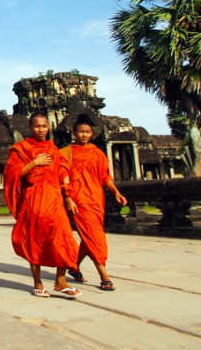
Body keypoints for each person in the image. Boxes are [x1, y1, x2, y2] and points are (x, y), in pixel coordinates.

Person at [3, 112, 81, 299]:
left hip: (54, 199)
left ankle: (60, 281)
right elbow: (12, 174)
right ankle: (38, 282)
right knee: (34, 241)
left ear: (49, 127)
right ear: (30, 127)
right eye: (37, 126)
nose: (41, 130)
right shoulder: (21, 149)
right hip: (33, 200)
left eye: (44, 126)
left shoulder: (54, 149)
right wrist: (34, 162)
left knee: (64, 238)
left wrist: (69, 197)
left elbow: (63, 173)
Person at [60, 116, 128, 291]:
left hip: (96, 199)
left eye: (87, 132)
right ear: (73, 133)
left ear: (92, 134)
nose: (84, 135)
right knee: (94, 237)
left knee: (88, 237)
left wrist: (116, 192)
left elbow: (105, 176)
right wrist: (68, 198)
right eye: (81, 132)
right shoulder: (66, 153)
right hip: (79, 200)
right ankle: (104, 275)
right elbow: (63, 177)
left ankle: (74, 265)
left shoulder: (97, 153)